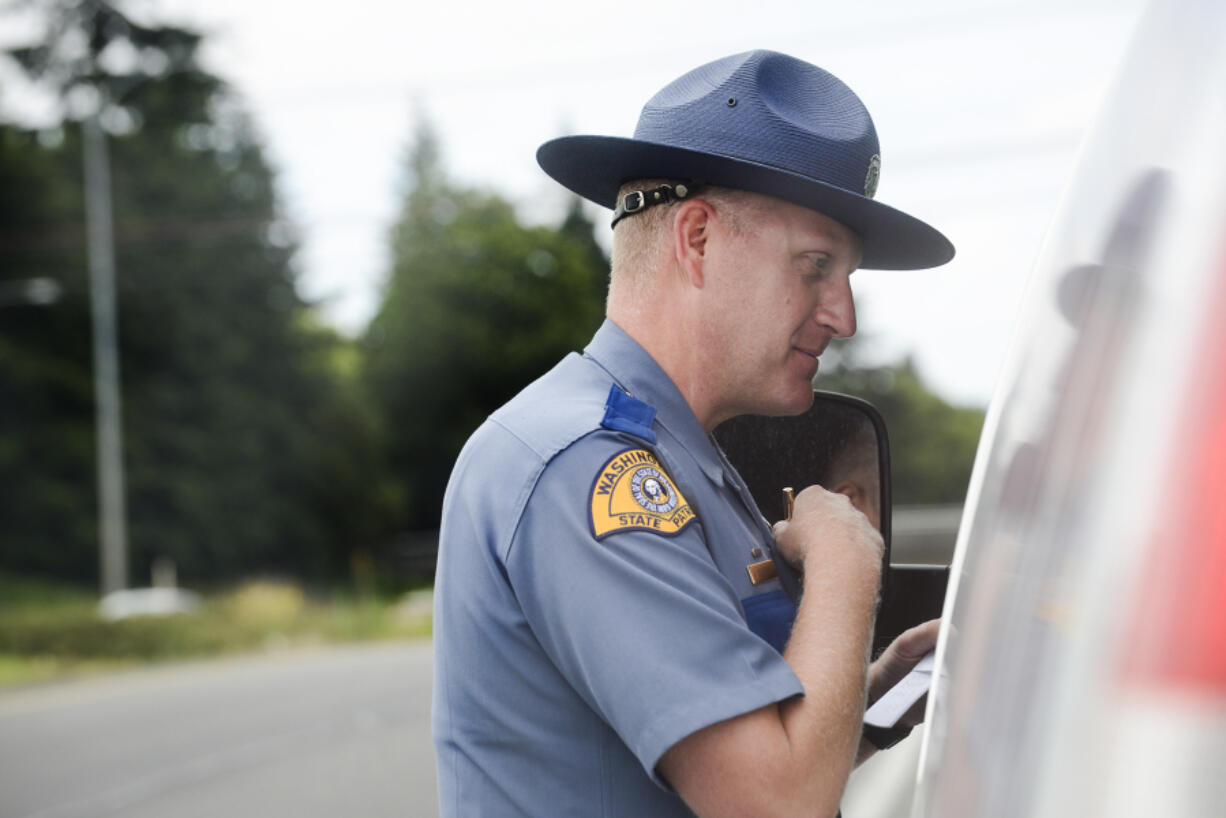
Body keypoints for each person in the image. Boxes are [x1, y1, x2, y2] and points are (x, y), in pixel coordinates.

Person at [432, 49, 951, 817]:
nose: (844, 314)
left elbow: (729, 756)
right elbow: (773, 806)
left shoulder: (679, 457)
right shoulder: (587, 468)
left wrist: (864, 704)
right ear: (698, 239)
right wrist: (846, 565)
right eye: (816, 265)